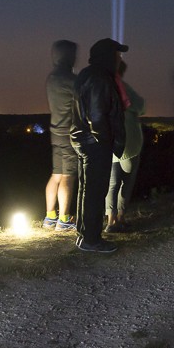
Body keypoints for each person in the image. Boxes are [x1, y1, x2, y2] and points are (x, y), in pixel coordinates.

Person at [71, 38, 129, 254]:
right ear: (107, 56)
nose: (120, 59)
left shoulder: (87, 74)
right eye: (117, 55)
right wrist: (107, 143)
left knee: (87, 189)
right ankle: (91, 240)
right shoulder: (100, 78)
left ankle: (85, 234)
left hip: (84, 140)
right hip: (95, 143)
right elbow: (97, 117)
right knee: (95, 191)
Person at [106, 58, 145, 232]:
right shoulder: (123, 87)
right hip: (129, 144)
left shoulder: (103, 87)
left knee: (112, 184)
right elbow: (141, 105)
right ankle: (121, 217)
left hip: (110, 142)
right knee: (126, 182)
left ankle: (110, 221)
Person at [43, 39, 79, 232]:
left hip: (55, 133)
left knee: (56, 175)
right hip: (69, 134)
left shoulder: (52, 78)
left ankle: (50, 217)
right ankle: (64, 220)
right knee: (68, 177)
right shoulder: (72, 80)